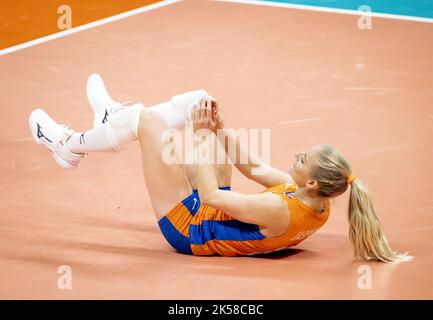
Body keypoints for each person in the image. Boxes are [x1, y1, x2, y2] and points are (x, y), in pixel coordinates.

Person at [28, 74, 411, 262]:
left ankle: (68, 146)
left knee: (146, 122)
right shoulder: (320, 203)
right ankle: (115, 120)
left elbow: (210, 196)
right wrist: (219, 128)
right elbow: (255, 167)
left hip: (187, 227)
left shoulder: (281, 210)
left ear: (311, 180)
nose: (294, 156)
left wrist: (198, 134)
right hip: (216, 208)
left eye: (300, 158)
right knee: (201, 100)